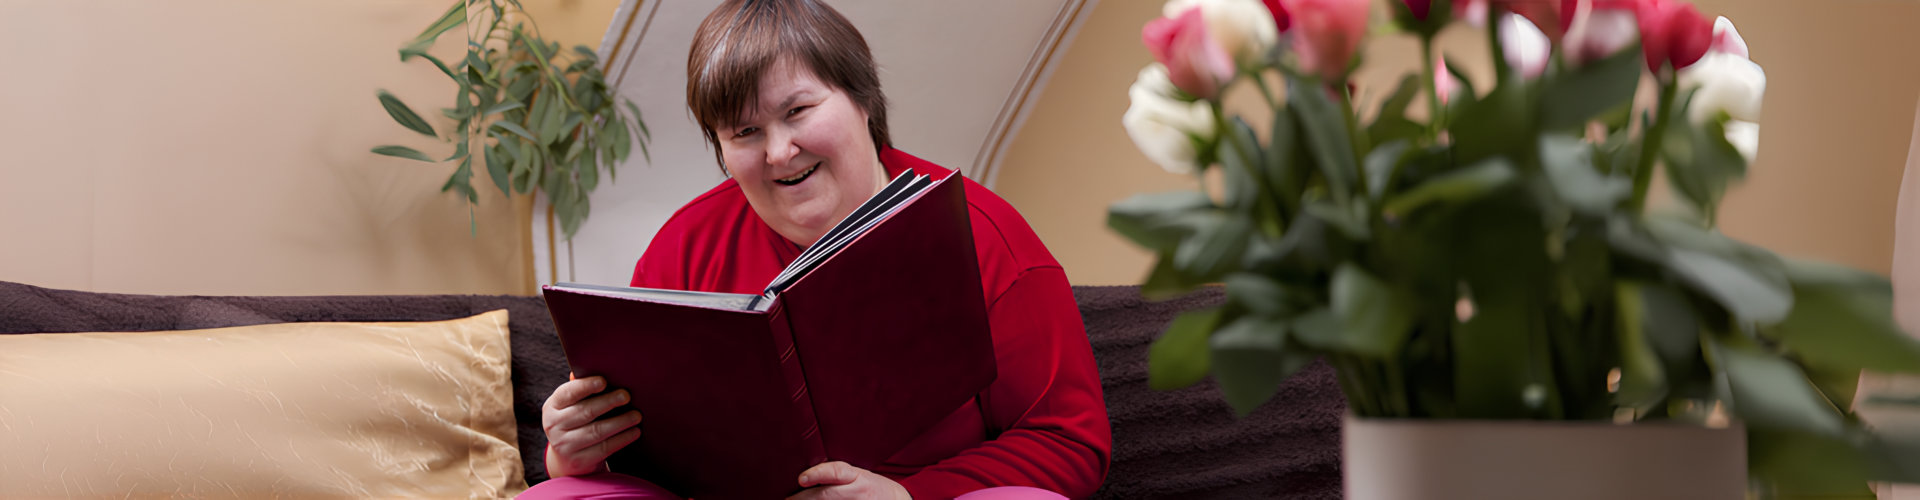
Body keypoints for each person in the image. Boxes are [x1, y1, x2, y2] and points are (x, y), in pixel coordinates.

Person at [517, 0, 1110, 498]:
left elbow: (1071, 443)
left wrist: (909, 495)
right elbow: (624, 451)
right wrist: (575, 452)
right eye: (745, 132)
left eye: (797, 111)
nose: (779, 152)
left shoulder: (983, 232)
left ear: (864, 101)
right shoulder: (685, 245)